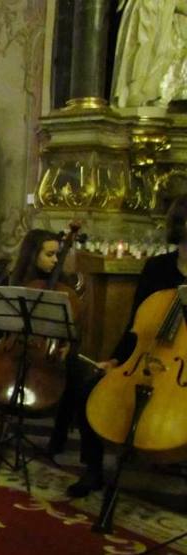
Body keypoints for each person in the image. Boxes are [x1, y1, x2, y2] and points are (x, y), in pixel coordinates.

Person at [68, 196, 187, 497]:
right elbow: (137, 326)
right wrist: (116, 360)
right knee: (88, 387)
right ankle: (93, 469)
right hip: (145, 358)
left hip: (181, 371)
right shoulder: (157, 267)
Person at [0, 229, 81, 450]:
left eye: (57, 254)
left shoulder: (66, 287)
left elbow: (74, 329)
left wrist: (69, 345)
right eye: (49, 254)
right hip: (15, 343)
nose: (55, 260)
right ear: (33, 255)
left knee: (75, 373)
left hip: (49, 349)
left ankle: (58, 436)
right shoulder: (16, 279)